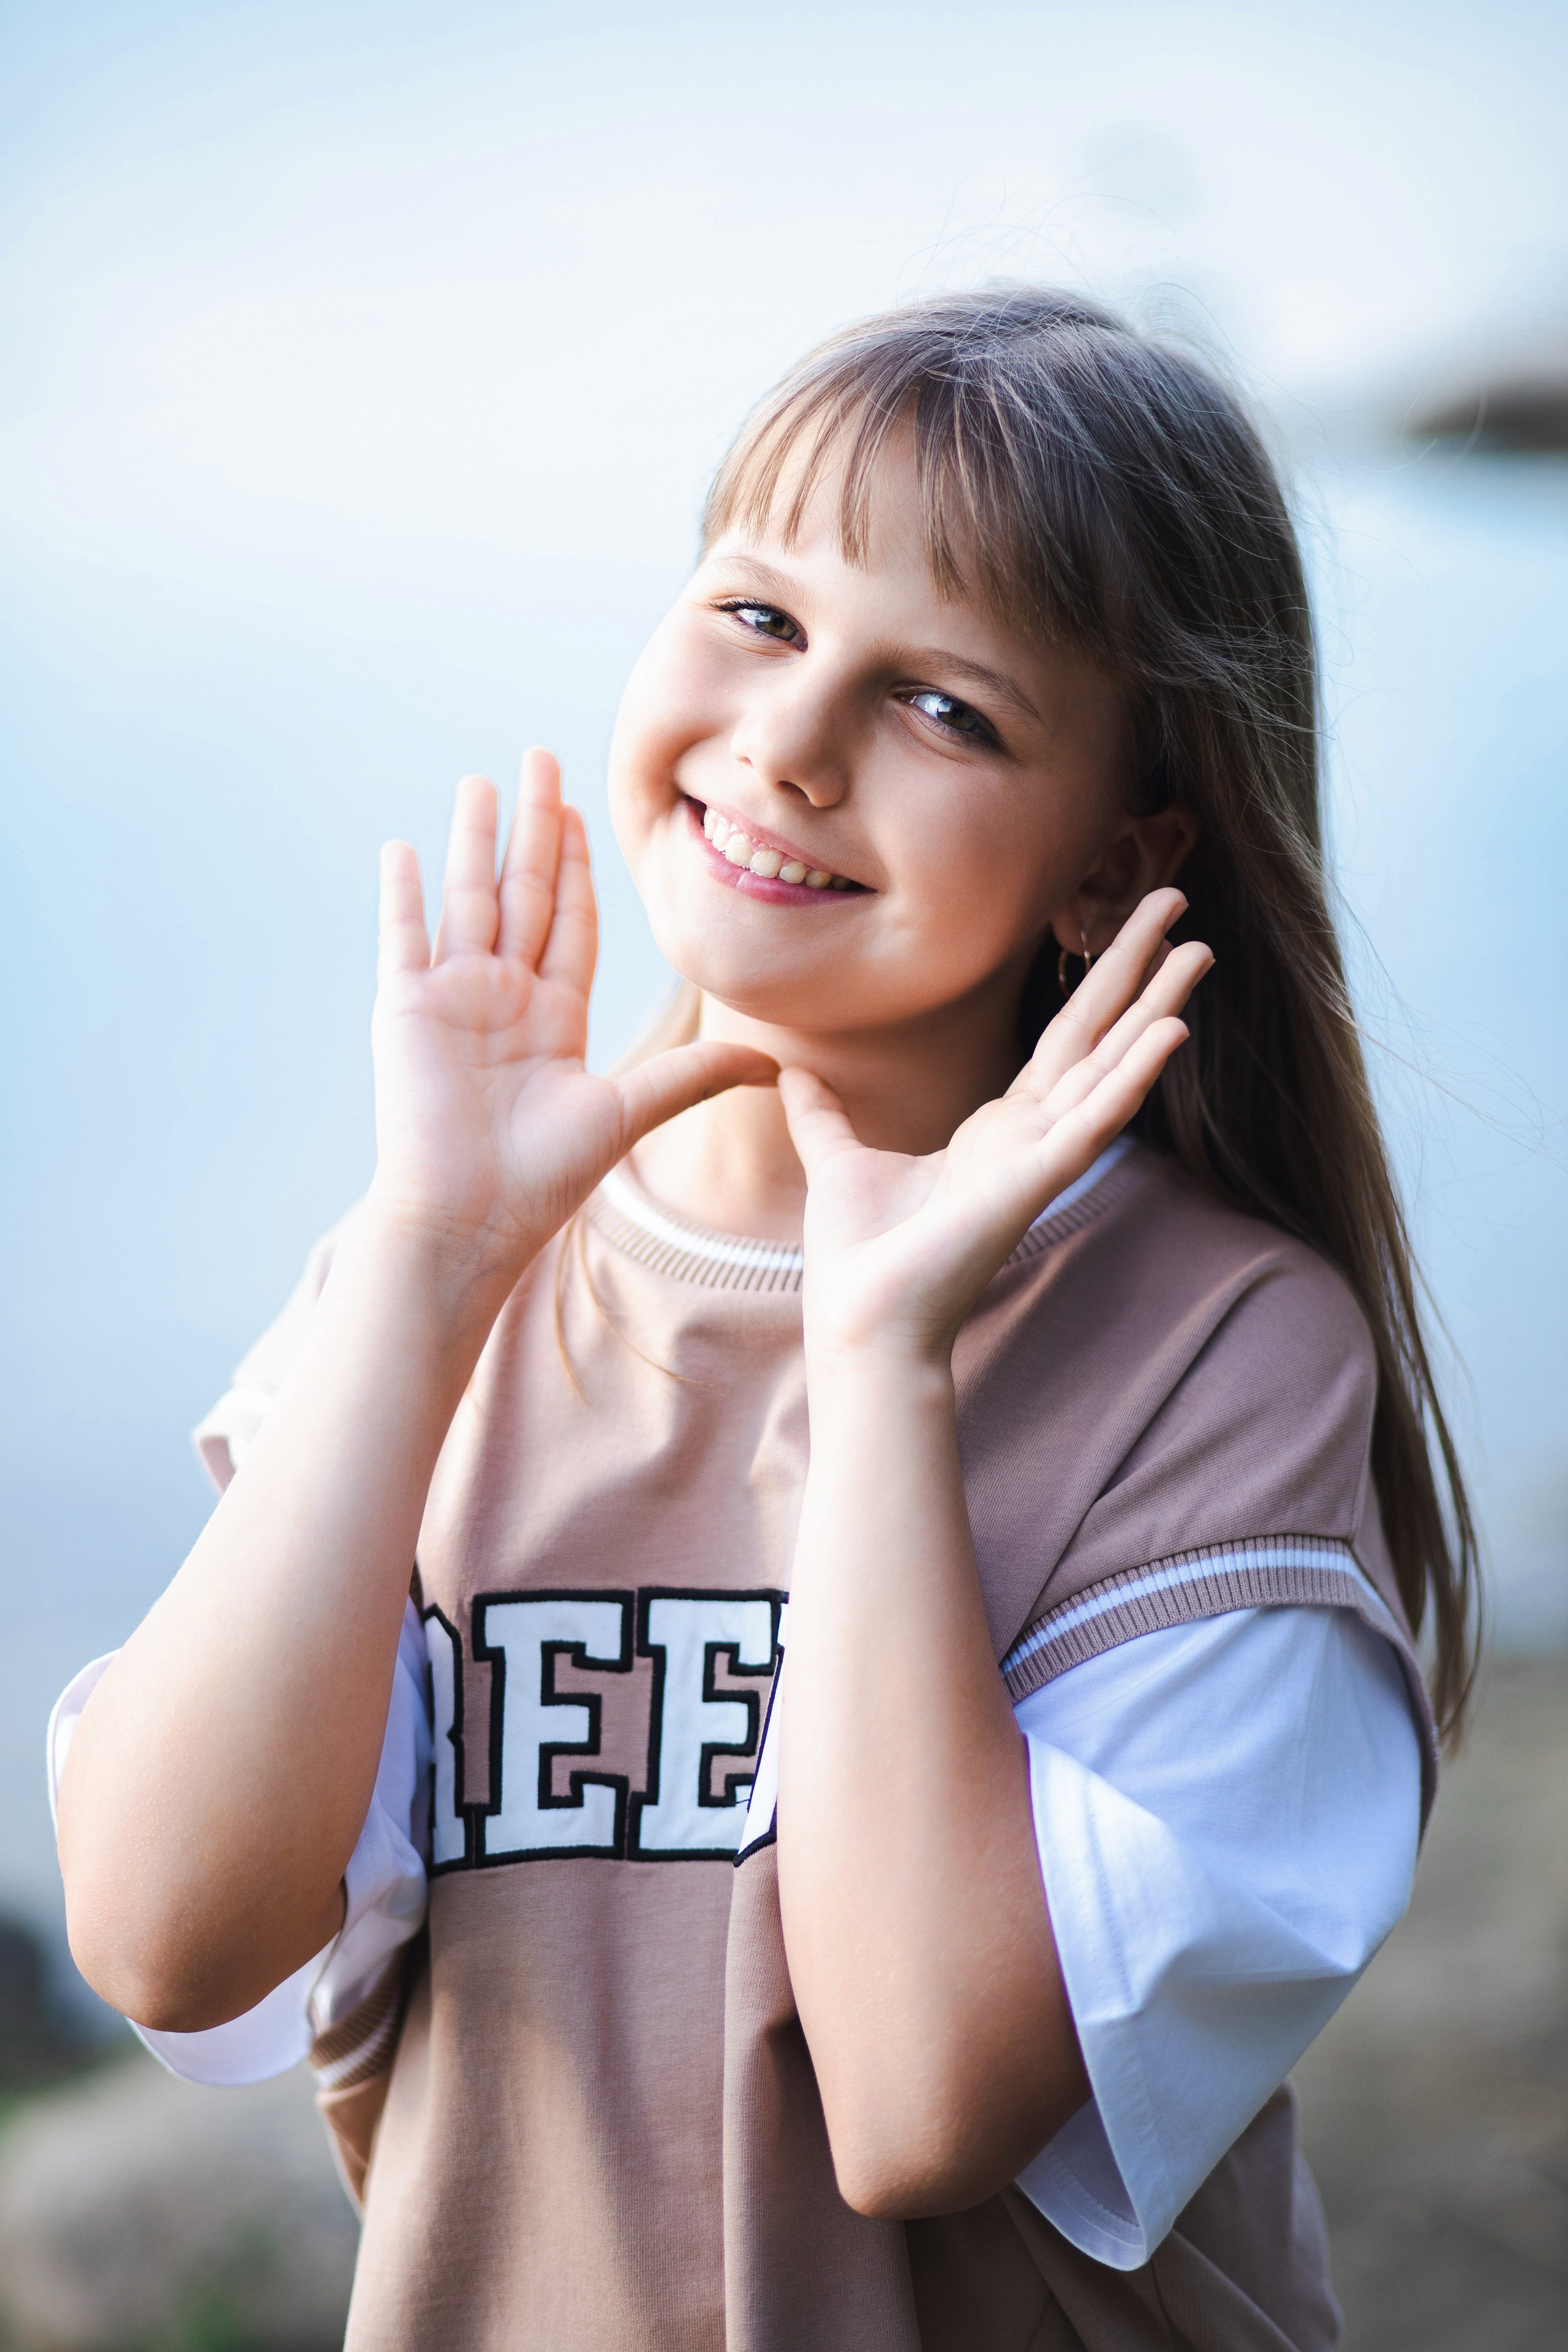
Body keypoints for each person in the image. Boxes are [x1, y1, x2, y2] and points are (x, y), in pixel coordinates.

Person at [50, 288, 1477, 2351]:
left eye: (948, 711)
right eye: (761, 615)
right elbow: (168, 1936)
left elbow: (923, 2105)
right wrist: (431, 1261)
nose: (789, 747)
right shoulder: (441, 1279)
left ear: (1123, 860)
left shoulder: (1217, 1350)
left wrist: (882, 1360)